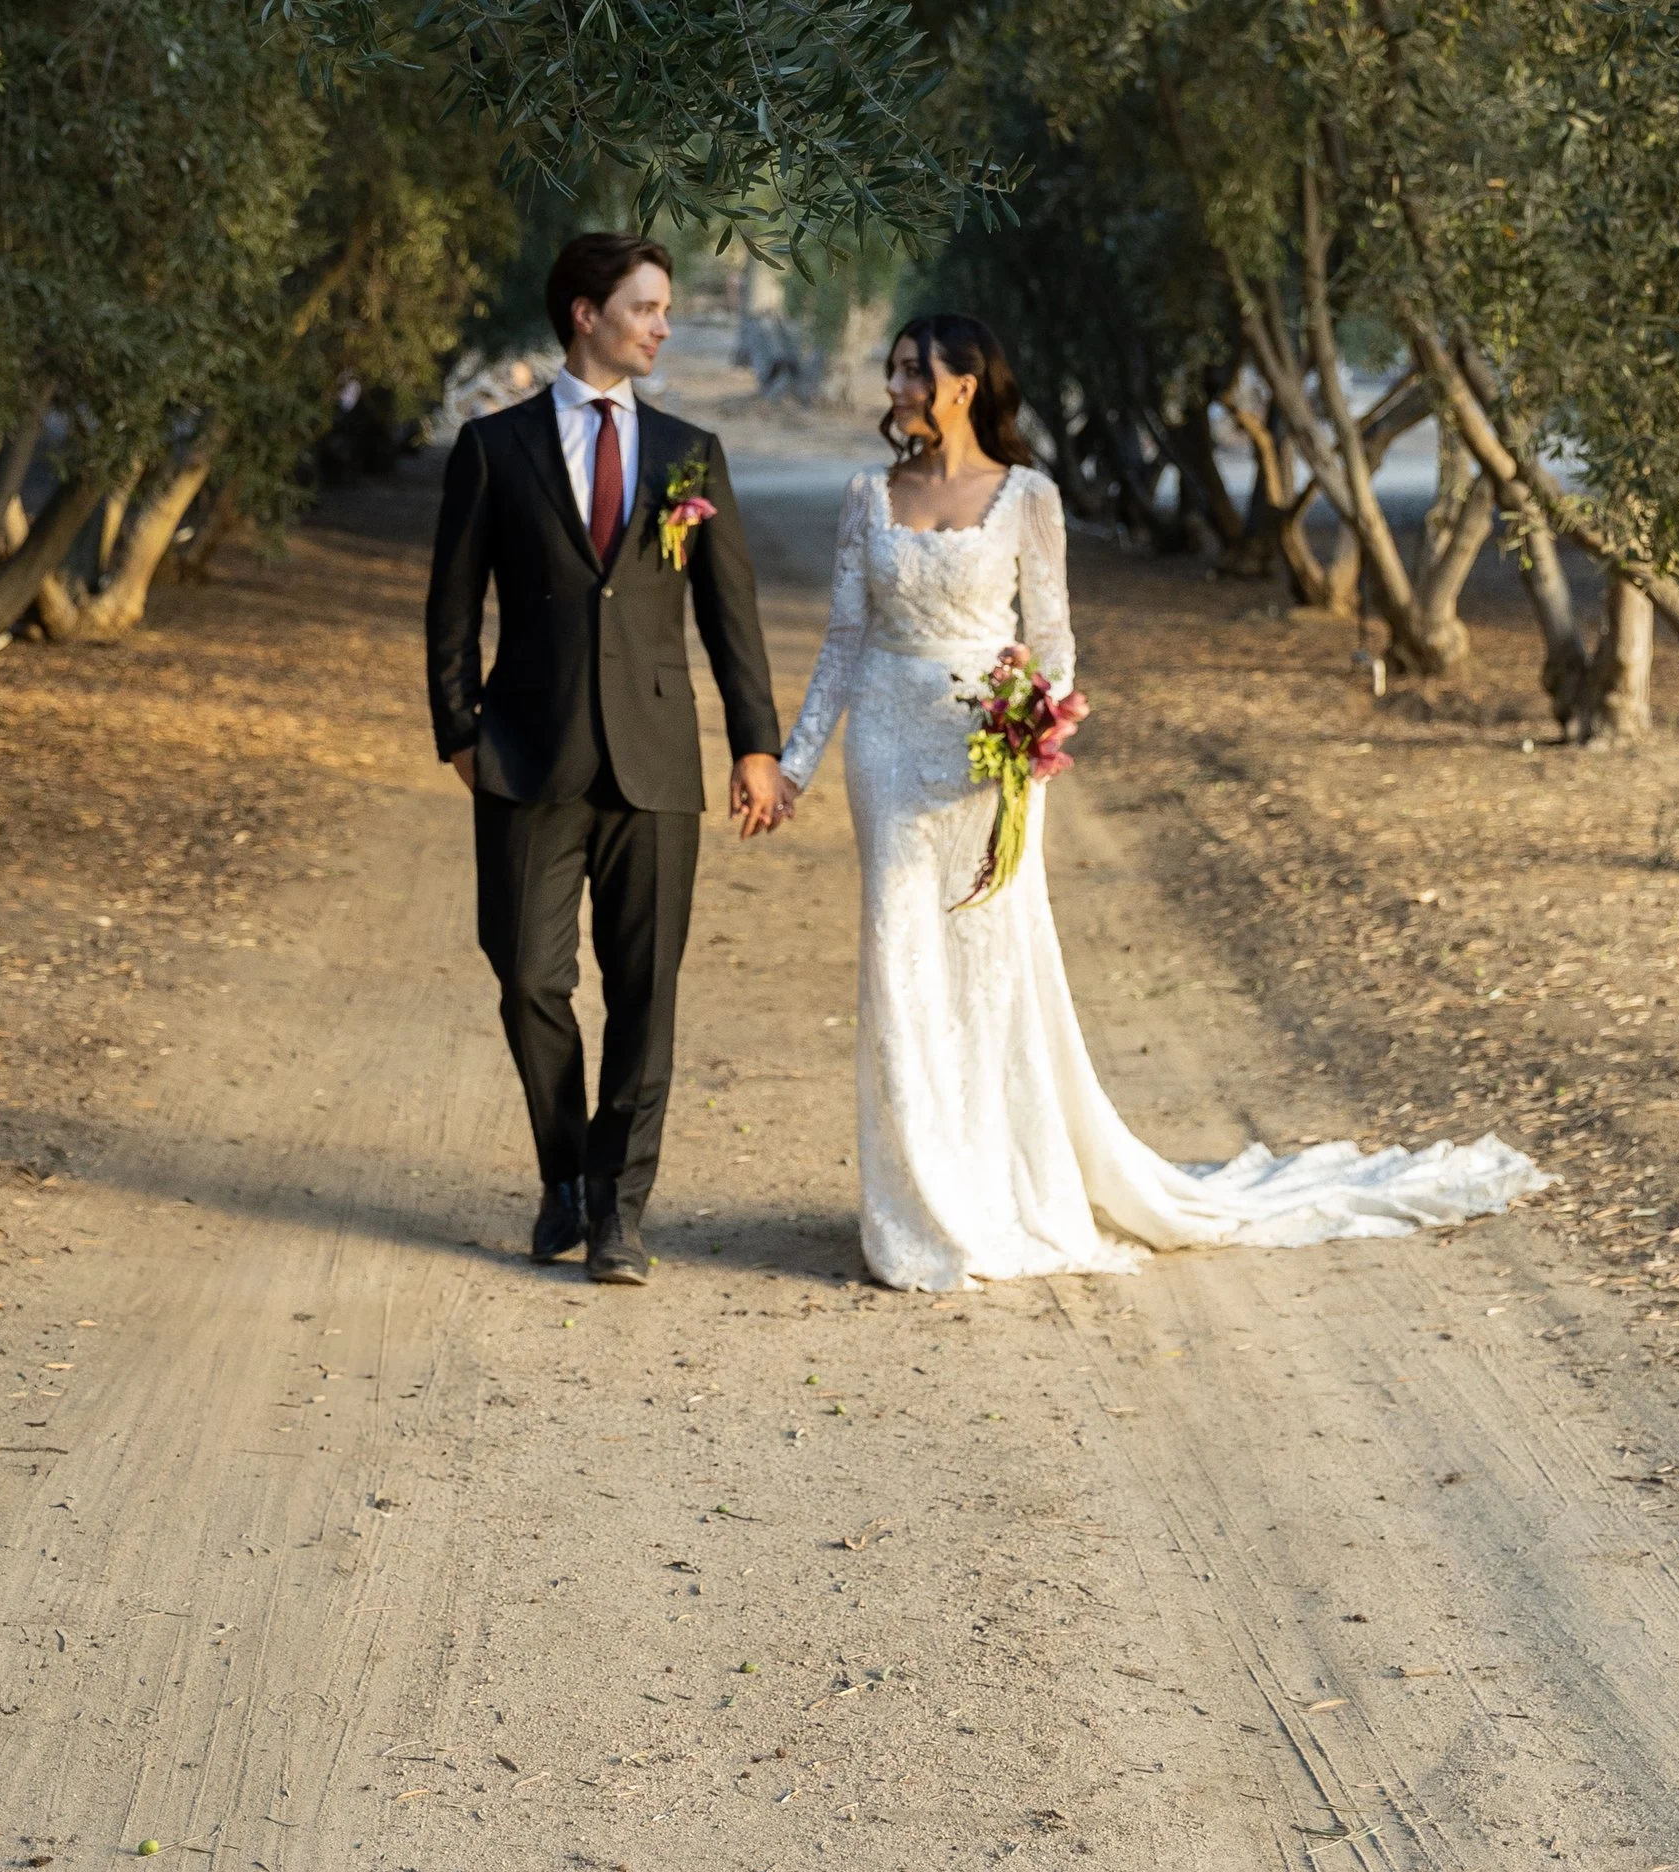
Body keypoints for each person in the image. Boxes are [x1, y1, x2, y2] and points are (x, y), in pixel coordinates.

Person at [779, 312, 1545, 1293]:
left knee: (990, 958)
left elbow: (1052, 641)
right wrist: (795, 765)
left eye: (908, 371)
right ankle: (919, 1205)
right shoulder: (866, 495)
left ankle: (996, 1186)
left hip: (987, 752)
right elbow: (845, 637)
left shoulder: (1029, 498)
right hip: (888, 744)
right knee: (901, 959)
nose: (893, 387)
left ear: (964, 383)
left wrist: (1029, 721)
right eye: (891, 371)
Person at [426, 232, 794, 1284]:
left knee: (644, 991)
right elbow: (450, 607)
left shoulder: (689, 452)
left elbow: (731, 611)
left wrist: (754, 742)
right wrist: (461, 732)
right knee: (528, 979)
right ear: (585, 314)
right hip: (524, 759)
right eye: (645, 306)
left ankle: (619, 1212)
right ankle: (561, 1180)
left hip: (656, 764)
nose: (663, 325)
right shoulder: (493, 449)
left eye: (666, 306)